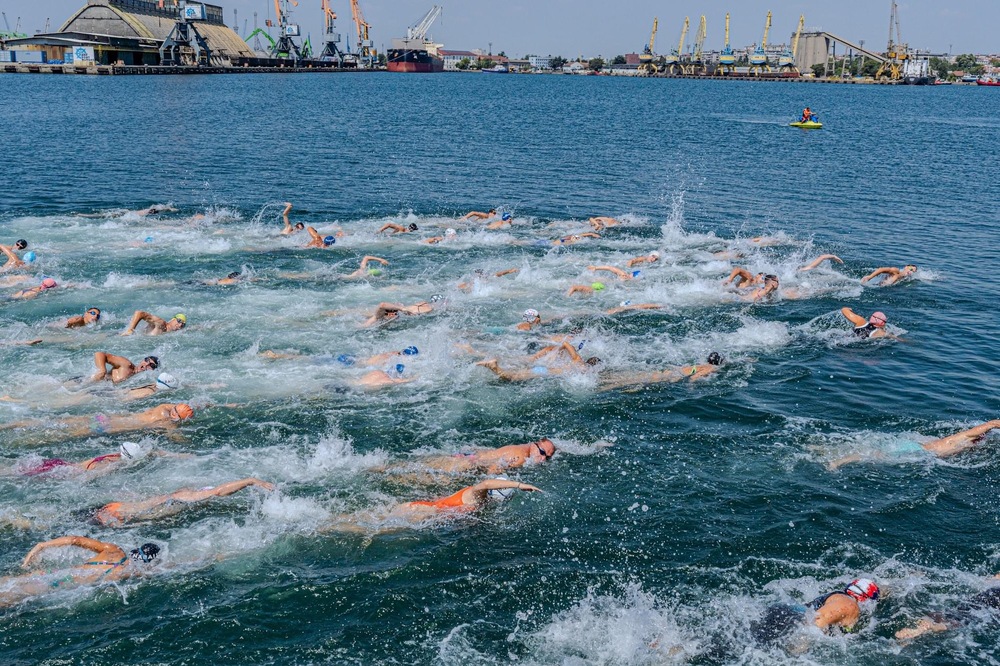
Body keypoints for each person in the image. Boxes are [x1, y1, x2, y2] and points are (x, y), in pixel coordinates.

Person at [0, 536, 160, 607]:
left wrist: (42, 545)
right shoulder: (129, 572)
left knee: (9, 582)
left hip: (52, 572)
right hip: (61, 583)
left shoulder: (113, 550)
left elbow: (75, 540)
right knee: (10, 597)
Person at [88, 478, 275, 527]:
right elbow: (219, 491)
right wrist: (250, 481)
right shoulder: (186, 498)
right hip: (117, 515)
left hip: (116, 508)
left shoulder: (182, 495)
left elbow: (218, 491)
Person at [751, 578, 879, 647]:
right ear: (867, 601)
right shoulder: (850, 605)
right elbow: (813, 623)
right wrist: (796, 653)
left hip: (785, 612)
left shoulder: (838, 596)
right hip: (791, 619)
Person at [828, 420, 1000, 469]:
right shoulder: (965, 437)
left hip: (916, 447)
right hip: (917, 451)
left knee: (873, 450)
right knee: (876, 456)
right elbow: (992, 423)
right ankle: (839, 461)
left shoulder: (969, 441)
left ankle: (823, 450)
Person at [1, 403, 195, 440]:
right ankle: (23, 440)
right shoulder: (167, 422)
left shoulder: (162, 407)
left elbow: (173, 406)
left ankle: (9, 425)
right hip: (109, 427)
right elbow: (174, 435)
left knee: (55, 422)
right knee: (62, 435)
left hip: (105, 417)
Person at [895, 576, 1000, 641]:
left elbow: (992, 579)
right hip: (993, 605)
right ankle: (933, 627)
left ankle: (921, 626)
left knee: (956, 612)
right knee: (965, 620)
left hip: (988, 594)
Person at [394, 438, 557, 475]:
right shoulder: (520, 458)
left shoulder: (524, 446)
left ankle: (377, 468)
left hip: (466, 457)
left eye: (547, 458)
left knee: (406, 468)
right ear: (536, 445)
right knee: (408, 475)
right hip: (465, 464)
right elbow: (494, 468)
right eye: (542, 453)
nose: (543, 459)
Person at [477, 341, 601, 382]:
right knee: (513, 377)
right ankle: (494, 367)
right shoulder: (583, 368)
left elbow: (566, 343)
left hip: (544, 370)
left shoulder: (577, 360)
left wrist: (557, 352)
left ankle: (495, 365)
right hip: (544, 373)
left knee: (515, 373)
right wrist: (556, 353)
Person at [599, 353, 724, 391]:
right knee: (629, 382)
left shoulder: (698, 364)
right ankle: (600, 390)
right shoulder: (711, 368)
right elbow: (694, 377)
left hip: (667, 372)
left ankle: (600, 380)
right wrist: (691, 387)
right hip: (671, 376)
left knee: (630, 378)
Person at [17, 441, 151, 476]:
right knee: (18, 475)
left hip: (60, 464)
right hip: (62, 472)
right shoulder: (111, 464)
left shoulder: (113, 454)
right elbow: (87, 477)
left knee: (16, 470)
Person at [92, 351, 159, 384]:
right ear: (142, 360)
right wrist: (102, 370)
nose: (146, 364)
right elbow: (99, 354)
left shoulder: (139, 381)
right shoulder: (126, 365)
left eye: (151, 365)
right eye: (147, 360)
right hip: (92, 384)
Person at [361, 301, 434, 327]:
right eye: (392, 313)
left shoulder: (396, 314)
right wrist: (402, 309)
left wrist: (401, 309)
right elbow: (382, 305)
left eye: (395, 312)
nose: (394, 315)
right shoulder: (378, 318)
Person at [121, 310, 186, 336]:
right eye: (179, 321)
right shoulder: (161, 323)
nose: (180, 325)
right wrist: (130, 330)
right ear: (173, 319)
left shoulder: (171, 333)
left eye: (183, 324)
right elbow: (139, 313)